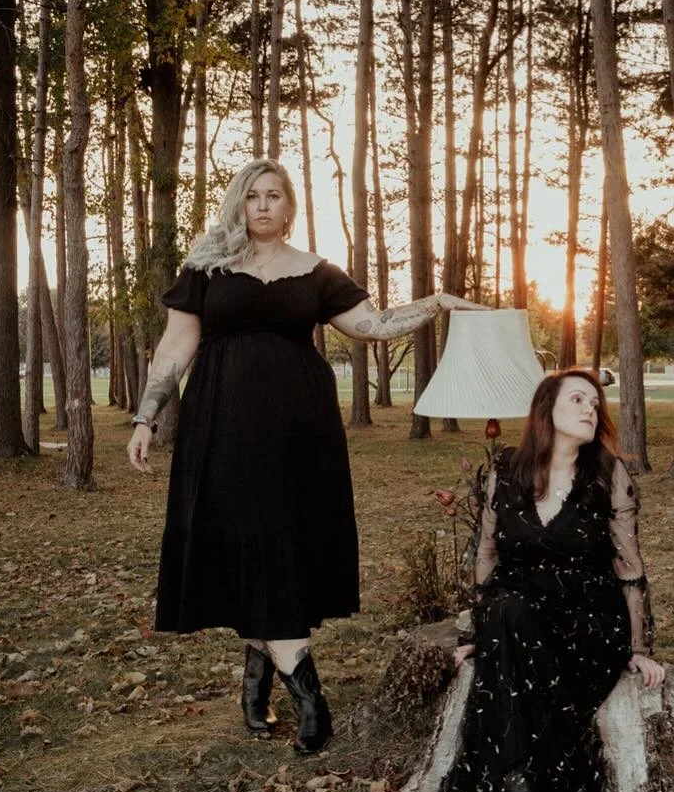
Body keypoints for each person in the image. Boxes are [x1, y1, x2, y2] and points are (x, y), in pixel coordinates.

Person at [127, 157, 477, 754]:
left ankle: (256, 680)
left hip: (300, 430)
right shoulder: (207, 266)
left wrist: (438, 302)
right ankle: (310, 699)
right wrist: (146, 414)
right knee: (246, 537)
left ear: (289, 206)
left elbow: (374, 325)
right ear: (240, 203)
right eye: (253, 196)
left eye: (274, 196)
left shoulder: (317, 272)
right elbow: (175, 346)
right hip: (224, 427)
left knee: (284, 542)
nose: (263, 205)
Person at [405, 370, 665, 792]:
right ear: (546, 410)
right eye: (578, 399)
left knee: (511, 622)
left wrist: (640, 647)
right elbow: (486, 557)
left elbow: (628, 561)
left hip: (586, 623)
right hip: (516, 618)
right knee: (509, 609)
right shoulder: (507, 470)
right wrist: (474, 633)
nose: (591, 409)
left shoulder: (608, 474)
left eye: (596, 402)